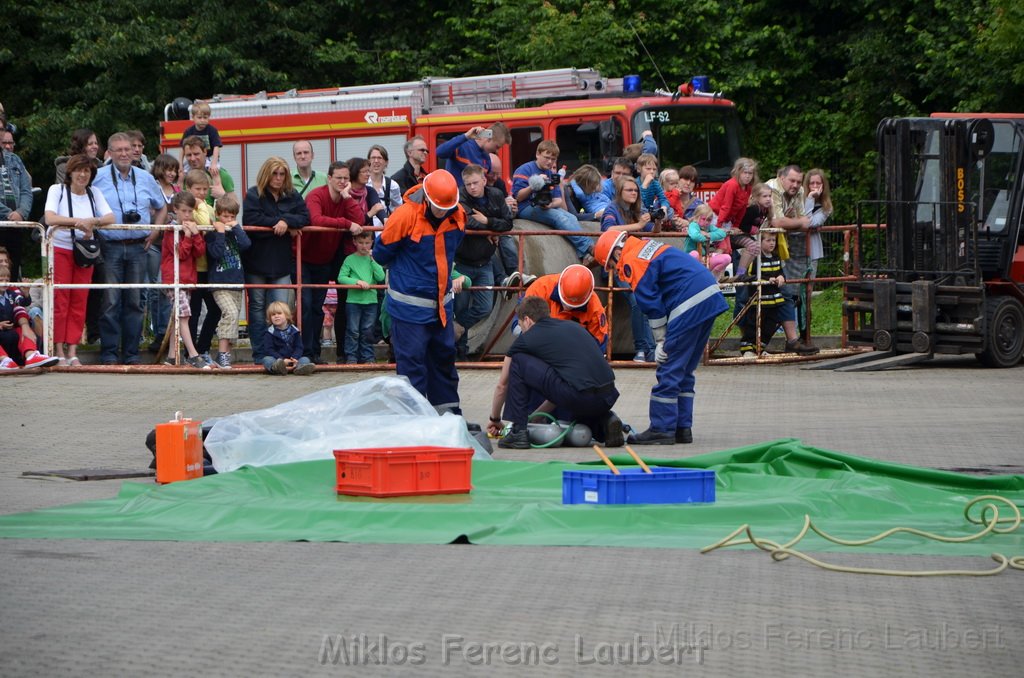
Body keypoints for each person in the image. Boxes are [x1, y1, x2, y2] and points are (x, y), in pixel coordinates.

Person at [594, 229, 728, 445]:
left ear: (616, 253)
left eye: (611, 265)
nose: (614, 271)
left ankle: (662, 428)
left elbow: (650, 303)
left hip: (689, 303)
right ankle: (682, 428)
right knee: (684, 370)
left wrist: (660, 340)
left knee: (669, 368)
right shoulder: (645, 245)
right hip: (708, 296)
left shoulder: (631, 260)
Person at [373, 170, 465, 412]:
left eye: (447, 207)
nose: (443, 212)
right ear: (426, 197)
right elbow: (381, 253)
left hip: (441, 309)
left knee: (443, 362)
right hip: (409, 311)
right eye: (438, 207)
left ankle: (447, 416)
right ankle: (414, 419)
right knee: (412, 365)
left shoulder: (458, 215)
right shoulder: (404, 216)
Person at [486, 296, 623, 449]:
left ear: (527, 320)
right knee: (579, 393)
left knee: (518, 360)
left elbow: (502, 385)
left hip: (579, 396)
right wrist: (535, 418)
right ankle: (605, 421)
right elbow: (560, 386)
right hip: (607, 397)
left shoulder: (527, 339)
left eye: (521, 325)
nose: (522, 331)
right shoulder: (572, 327)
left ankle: (518, 432)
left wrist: (495, 418)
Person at [91, 132, 168, 365]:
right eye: (120, 150)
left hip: (138, 247)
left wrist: (156, 230)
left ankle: (132, 354)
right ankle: (109, 354)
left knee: (135, 302)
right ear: (110, 153)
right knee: (111, 301)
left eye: (128, 149)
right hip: (110, 245)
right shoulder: (98, 177)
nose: (125, 153)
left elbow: (162, 206)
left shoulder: (145, 177)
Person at [43, 154, 115, 366]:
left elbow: (110, 217)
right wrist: (79, 222)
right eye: (78, 170)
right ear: (70, 172)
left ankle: (73, 350)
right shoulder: (57, 190)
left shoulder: (95, 193)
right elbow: (50, 218)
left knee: (80, 299)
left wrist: (93, 220)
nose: (82, 175)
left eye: (87, 171)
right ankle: (58, 349)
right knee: (60, 299)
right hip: (60, 248)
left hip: (85, 252)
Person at [242, 157, 309, 362]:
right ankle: (260, 354)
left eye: (282, 174)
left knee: (280, 308)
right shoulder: (254, 194)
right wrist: (279, 224)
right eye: (275, 173)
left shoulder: (292, 194)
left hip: (281, 263)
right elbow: (251, 220)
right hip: (256, 261)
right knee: (257, 308)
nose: (279, 178)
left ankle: (281, 354)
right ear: (266, 174)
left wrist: (285, 221)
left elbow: (305, 217)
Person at [302, 160, 364, 363]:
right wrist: (346, 224)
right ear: (329, 178)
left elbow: (360, 221)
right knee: (306, 306)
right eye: (339, 178)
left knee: (318, 307)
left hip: (325, 260)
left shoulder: (344, 198)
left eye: (346, 178)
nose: (343, 181)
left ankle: (316, 354)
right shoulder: (316, 195)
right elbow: (316, 220)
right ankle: (305, 354)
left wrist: (347, 197)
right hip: (304, 258)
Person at [453, 163, 514, 359]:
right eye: (468, 184)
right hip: (462, 262)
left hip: (484, 262)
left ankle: (458, 328)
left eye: (475, 183)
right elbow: (466, 221)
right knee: (460, 306)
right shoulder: (460, 196)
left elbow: (508, 223)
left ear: (484, 180)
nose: (472, 187)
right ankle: (459, 353)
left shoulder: (495, 195)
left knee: (485, 307)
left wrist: (488, 223)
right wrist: (489, 231)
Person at [600, 176, 656, 362]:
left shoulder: (637, 210)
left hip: (635, 264)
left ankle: (648, 349)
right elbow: (608, 230)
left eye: (636, 190)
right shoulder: (611, 208)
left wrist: (657, 220)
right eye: (629, 190)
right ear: (619, 192)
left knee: (646, 301)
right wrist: (638, 225)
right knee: (638, 300)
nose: (634, 193)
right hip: (615, 265)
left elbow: (651, 231)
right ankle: (644, 349)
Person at [512, 140, 594, 264]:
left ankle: (582, 255)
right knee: (559, 217)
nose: (550, 162)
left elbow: (558, 200)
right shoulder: (524, 169)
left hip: (545, 206)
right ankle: (589, 248)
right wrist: (534, 184)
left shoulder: (551, 174)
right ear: (537, 154)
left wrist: (550, 204)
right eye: (546, 157)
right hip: (526, 206)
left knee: (571, 217)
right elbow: (518, 197)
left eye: (553, 159)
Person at [767, 164, 819, 354]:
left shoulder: (800, 191)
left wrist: (794, 222)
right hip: (756, 245)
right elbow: (778, 222)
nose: (796, 185)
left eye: (798, 181)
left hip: (776, 246)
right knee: (749, 295)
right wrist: (796, 222)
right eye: (792, 180)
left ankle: (792, 340)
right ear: (781, 178)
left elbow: (802, 218)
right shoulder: (772, 189)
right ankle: (751, 343)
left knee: (785, 292)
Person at [160, 191, 210, 369]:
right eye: (184, 211)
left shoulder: (191, 227)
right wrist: (188, 236)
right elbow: (180, 253)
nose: (187, 215)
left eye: (190, 211)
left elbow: (200, 252)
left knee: (178, 316)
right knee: (183, 316)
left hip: (187, 278)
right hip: (173, 278)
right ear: (176, 210)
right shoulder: (170, 230)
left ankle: (172, 356)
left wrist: (196, 235)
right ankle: (193, 355)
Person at [206, 195, 251, 369]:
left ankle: (225, 354)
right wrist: (220, 233)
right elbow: (216, 253)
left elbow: (247, 244)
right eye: (225, 216)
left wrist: (236, 227)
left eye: (232, 216)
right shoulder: (212, 234)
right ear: (217, 215)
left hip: (236, 282)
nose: (229, 220)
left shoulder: (235, 232)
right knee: (230, 313)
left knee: (234, 316)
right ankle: (222, 354)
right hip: (219, 283)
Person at [520, 264, 608, 351]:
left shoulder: (595, 310)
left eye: (572, 306)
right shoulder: (541, 287)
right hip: (536, 340)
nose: (566, 308)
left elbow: (600, 343)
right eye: (564, 303)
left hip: (570, 350)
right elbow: (520, 318)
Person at [182, 169, 220, 366]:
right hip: (194, 269)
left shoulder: (206, 206)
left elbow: (214, 222)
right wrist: (200, 206)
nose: (202, 193)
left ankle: (202, 348)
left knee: (215, 309)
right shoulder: (191, 210)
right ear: (188, 189)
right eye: (197, 189)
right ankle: (190, 353)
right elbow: (205, 222)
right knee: (193, 312)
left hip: (209, 268)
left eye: (205, 189)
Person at [145, 154, 180, 350]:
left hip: (170, 245)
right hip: (154, 243)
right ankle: (158, 332)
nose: (172, 173)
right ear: (159, 169)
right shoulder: (152, 189)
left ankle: (165, 333)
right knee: (155, 289)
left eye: (174, 170)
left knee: (166, 288)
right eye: (168, 169)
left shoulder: (177, 191)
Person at [337, 231, 386, 364]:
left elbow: (381, 277)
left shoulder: (373, 259)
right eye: (360, 243)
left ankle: (368, 357)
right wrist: (357, 282)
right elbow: (341, 278)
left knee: (368, 330)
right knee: (353, 330)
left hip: (371, 301)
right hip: (353, 301)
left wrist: (373, 261)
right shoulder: (350, 259)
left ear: (372, 243)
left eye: (367, 243)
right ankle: (351, 357)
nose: (364, 246)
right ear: (354, 242)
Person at [0, 264, 59, 371]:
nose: (5, 281)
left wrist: (26, 294)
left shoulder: (10, 293)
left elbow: (22, 302)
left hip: (10, 330)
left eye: (7, 279)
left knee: (24, 330)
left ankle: (31, 355)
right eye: (1, 279)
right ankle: (4, 360)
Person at [738, 232, 787, 358]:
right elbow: (748, 276)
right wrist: (766, 279)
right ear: (760, 242)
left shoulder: (776, 257)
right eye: (768, 240)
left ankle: (760, 347)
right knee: (753, 325)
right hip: (758, 299)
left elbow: (780, 272)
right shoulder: (755, 259)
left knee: (771, 325)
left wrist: (781, 277)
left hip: (774, 300)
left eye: (774, 240)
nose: (772, 243)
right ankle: (747, 349)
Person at [798, 168, 833, 339]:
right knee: (794, 288)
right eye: (811, 183)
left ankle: (806, 330)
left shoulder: (826, 206)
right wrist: (808, 200)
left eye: (818, 183)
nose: (814, 186)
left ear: (823, 185)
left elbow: (809, 223)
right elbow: (801, 218)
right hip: (796, 249)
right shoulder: (799, 199)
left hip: (812, 250)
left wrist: (811, 201)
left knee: (808, 290)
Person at [0, 131, 33, 280]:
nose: (8, 146)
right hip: (4, 221)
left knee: (12, 271)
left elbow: (27, 190)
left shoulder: (16, 160)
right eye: (4, 142)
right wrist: (8, 213)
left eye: (11, 143)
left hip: (15, 225)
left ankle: (12, 302)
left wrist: (21, 212)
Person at [436, 123, 509, 184]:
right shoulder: (462, 145)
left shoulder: (487, 159)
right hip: (457, 198)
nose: (497, 151)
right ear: (488, 138)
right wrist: (466, 136)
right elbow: (440, 152)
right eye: (497, 147)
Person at [262, 300, 316, 375]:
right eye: (273, 315)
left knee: (305, 359)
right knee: (266, 359)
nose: (276, 316)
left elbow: (299, 347)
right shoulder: (269, 332)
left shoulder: (295, 331)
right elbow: (269, 349)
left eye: (279, 313)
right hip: (277, 359)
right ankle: (277, 368)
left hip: (293, 359)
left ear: (287, 315)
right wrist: (282, 360)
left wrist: (294, 358)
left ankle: (300, 368)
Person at [684, 204, 731, 279]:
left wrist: (708, 234)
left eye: (709, 220)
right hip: (692, 260)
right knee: (695, 254)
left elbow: (722, 233)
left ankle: (713, 277)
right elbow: (695, 236)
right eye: (703, 219)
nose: (706, 222)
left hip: (704, 260)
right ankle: (693, 278)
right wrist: (705, 237)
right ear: (697, 217)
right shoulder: (693, 225)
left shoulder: (709, 227)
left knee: (727, 258)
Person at [180, 100, 222, 174]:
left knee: (214, 171)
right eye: (199, 117)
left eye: (205, 117)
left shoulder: (212, 130)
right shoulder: (189, 131)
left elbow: (216, 147)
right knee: (183, 173)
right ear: (193, 117)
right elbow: (183, 149)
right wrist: (180, 164)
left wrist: (214, 163)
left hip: (209, 158)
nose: (202, 120)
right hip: (193, 159)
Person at [366, 144, 403, 224]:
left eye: (380, 158)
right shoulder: (362, 184)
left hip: (386, 231)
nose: (376, 161)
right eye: (373, 158)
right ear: (368, 161)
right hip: (366, 232)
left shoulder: (393, 185)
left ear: (386, 162)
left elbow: (399, 209)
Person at [635, 153, 672, 229]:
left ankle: (658, 221)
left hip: (650, 211)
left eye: (654, 169)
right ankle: (655, 223)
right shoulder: (635, 183)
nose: (652, 172)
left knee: (670, 210)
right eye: (648, 169)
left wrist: (664, 208)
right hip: (639, 210)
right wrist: (644, 185)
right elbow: (639, 201)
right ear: (639, 169)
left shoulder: (655, 183)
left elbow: (663, 198)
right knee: (640, 211)